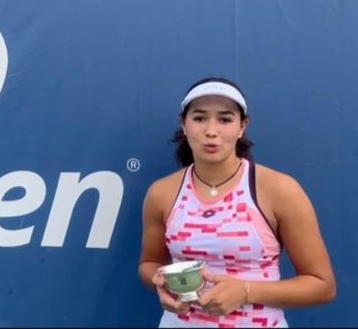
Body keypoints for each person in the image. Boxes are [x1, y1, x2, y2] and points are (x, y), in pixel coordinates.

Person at [137, 77, 336, 328]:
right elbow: (149, 264)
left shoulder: (280, 190)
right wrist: (160, 283)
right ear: (183, 125)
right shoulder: (162, 192)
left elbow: (322, 285)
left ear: (242, 126)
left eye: (225, 119)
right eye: (199, 118)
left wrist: (246, 291)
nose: (211, 131)